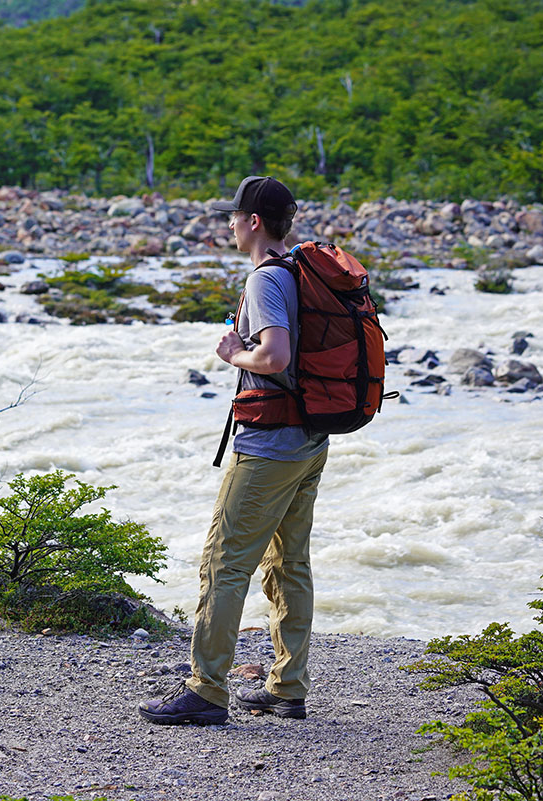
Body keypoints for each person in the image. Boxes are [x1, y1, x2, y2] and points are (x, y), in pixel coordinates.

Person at [139, 176, 329, 725]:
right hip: (309, 439)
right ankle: (288, 686)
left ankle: (206, 692)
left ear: (252, 222)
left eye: (233, 216)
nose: (227, 223)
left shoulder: (268, 279)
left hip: (269, 446)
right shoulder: (300, 269)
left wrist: (233, 356)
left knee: (224, 565)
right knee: (289, 562)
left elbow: (273, 357)